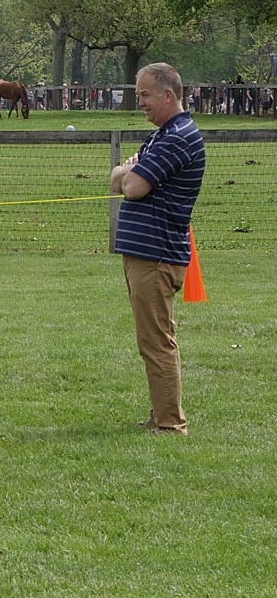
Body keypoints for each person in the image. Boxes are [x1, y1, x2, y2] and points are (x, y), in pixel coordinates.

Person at [110, 63, 205, 435]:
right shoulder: (162, 135)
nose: (141, 103)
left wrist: (126, 174)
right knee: (151, 338)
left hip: (157, 255)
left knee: (156, 341)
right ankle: (159, 413)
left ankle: (170, 423)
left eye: (146, 95)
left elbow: (132, 186)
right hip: (145, 253)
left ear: (168, 95)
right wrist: (125, 173)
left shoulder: (177, 136)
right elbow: (122, 177)